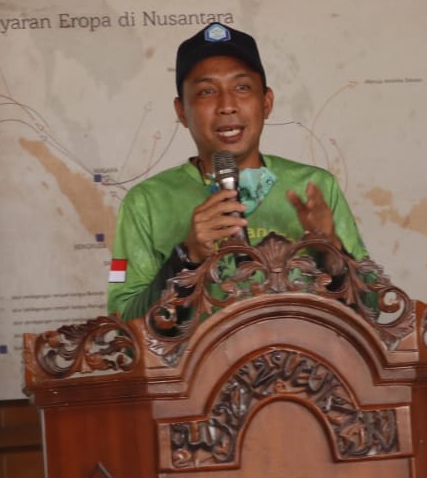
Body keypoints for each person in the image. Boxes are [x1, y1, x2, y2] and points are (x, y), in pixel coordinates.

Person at [106, 22, 368, 319]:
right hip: (201, 366)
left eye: (242, 88)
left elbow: (373, 306)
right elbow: (122, 317)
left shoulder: (317, 186)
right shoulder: (145, 202)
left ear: (266, 102)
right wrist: (186, 257)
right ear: (181, 111)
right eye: (206, 91)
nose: (227, 105)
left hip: (305, 363)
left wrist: (330, 248)